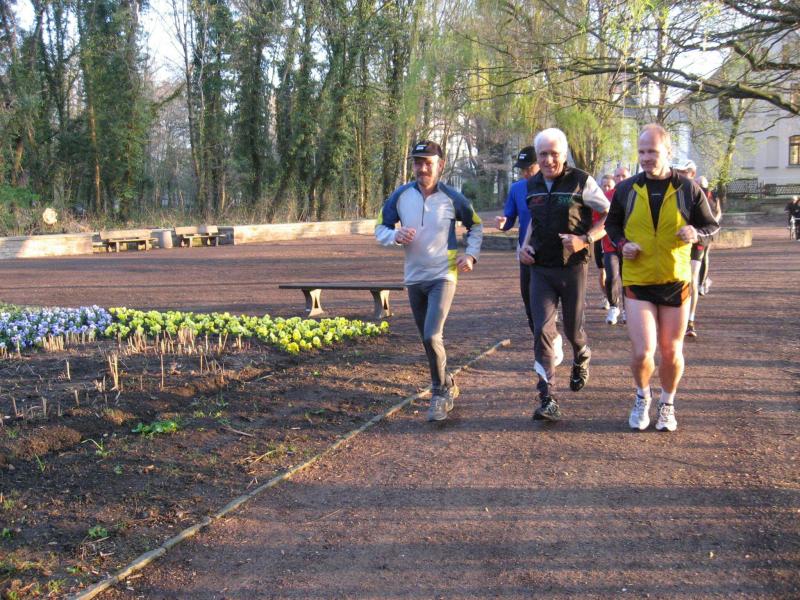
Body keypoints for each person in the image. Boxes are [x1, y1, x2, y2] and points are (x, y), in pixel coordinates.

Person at [605, 124, 719, 432]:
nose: (646, 157)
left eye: (652, 151)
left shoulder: (687, 189)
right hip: (638, 280)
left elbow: (711, 227)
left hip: (675, 279)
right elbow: (611, 225)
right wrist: (622, 244)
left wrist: (695, 232)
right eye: (641, 151)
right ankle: (642, 396)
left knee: (671, 351)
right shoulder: (627, 189)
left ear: (667, 152)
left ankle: (667, 404)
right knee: (643, 352)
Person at [375, 140, 483, 422]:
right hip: (414, 277)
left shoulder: (452, 197)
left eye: (428, 163)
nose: (422, 168)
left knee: (432, 335)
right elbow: (380, 228)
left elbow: (475, 225)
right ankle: (447, 382)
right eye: (417, 162)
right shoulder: (401, 196)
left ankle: (439, 394)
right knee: (426, 338)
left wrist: (471, 255)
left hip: (443, 274)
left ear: (440, 165)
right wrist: (394, 236)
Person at [519, 128, 610, 422]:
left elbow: (610, 215)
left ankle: (581, 352)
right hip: (541, 268)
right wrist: (524, 247)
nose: (548, 160)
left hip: (573, 267)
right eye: (542, 154)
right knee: (542, 331)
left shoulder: (581, 181)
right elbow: (533, 221)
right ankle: (548, 398)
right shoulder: (532, 184)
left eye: (554, 153)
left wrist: (585, 239)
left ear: (565, 154)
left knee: (572, 329)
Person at [496, 146, 565, 367]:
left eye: (529, 168)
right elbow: (509, 219)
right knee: (530, 305)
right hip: (527, 254)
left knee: (547, 306)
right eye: (522, 169)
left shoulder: (558, 186)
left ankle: (546, 349)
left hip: (554, 254)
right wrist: (503, 223)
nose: (526, 173)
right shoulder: (517, 188)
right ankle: (549, 340)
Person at [597, 174, 624, 325]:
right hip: (608, 244)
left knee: (627, 278)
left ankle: (627, 310)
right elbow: (597, 221)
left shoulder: (633, 195)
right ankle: (614, 306)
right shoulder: (604, 197)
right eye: (618, 176)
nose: (621, 179)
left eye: (624, 176)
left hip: (628, 245)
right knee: (611, 276)